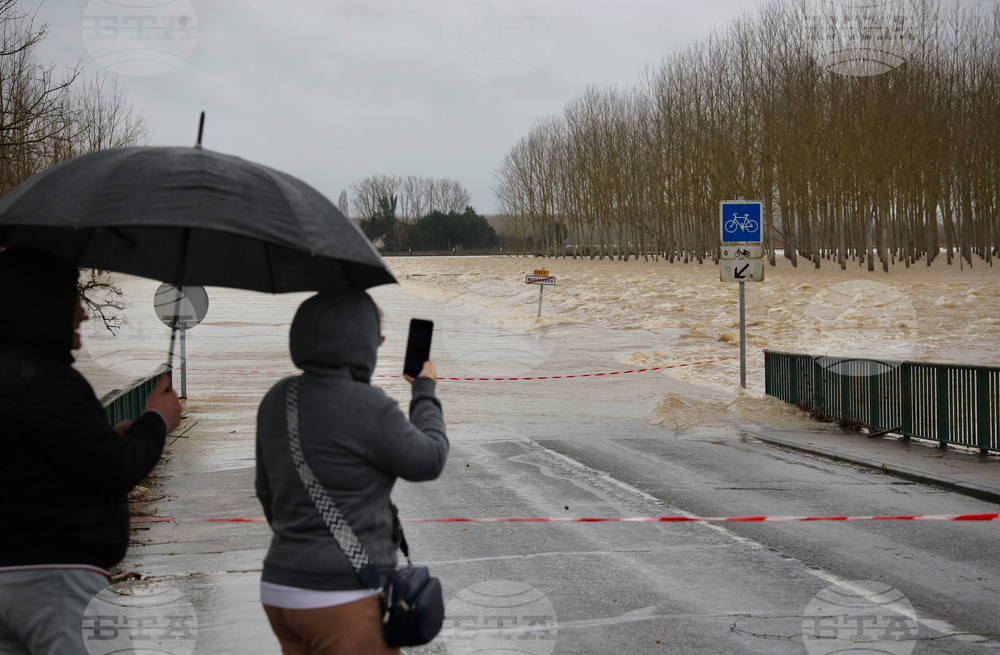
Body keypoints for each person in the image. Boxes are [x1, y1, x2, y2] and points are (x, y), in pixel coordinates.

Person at [0, 247, 182, 655]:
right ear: (46, 307)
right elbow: (115, 469)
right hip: (58, 580)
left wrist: (108, 437)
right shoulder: (49, 382)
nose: (82, 313)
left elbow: (33, 462)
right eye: (74, 301)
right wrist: (156, 419)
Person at [255, 290, 448, 655]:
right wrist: (424, 390)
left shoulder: (278, 397)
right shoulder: (368, 405)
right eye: (377, 335)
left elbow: (267, 494)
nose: (381, 343)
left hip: (280, 590)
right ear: (359, 341)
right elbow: (430, 459)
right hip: (340, 596)